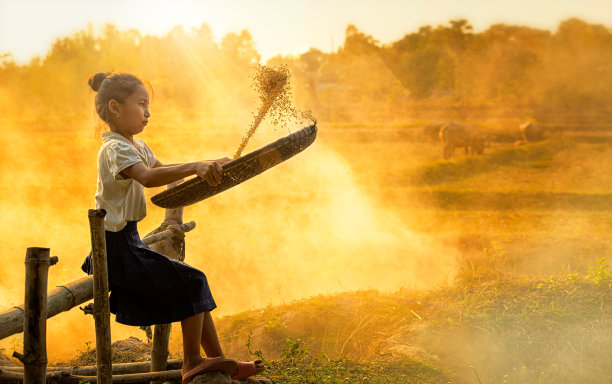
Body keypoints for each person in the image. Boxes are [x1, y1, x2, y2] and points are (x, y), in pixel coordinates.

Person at [81, 72, 264, 383]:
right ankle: (193, 361)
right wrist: (196, 166)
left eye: (147, 105)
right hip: (116, 249)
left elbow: (163, 170)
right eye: (141, 104)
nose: (147, 112)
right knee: (193, 281)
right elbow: (149, 179)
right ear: (115, 107)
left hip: (131, 242)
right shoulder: (115, 148)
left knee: (193, 282)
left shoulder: (136, 145)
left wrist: (208, 165)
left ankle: (217, 360)